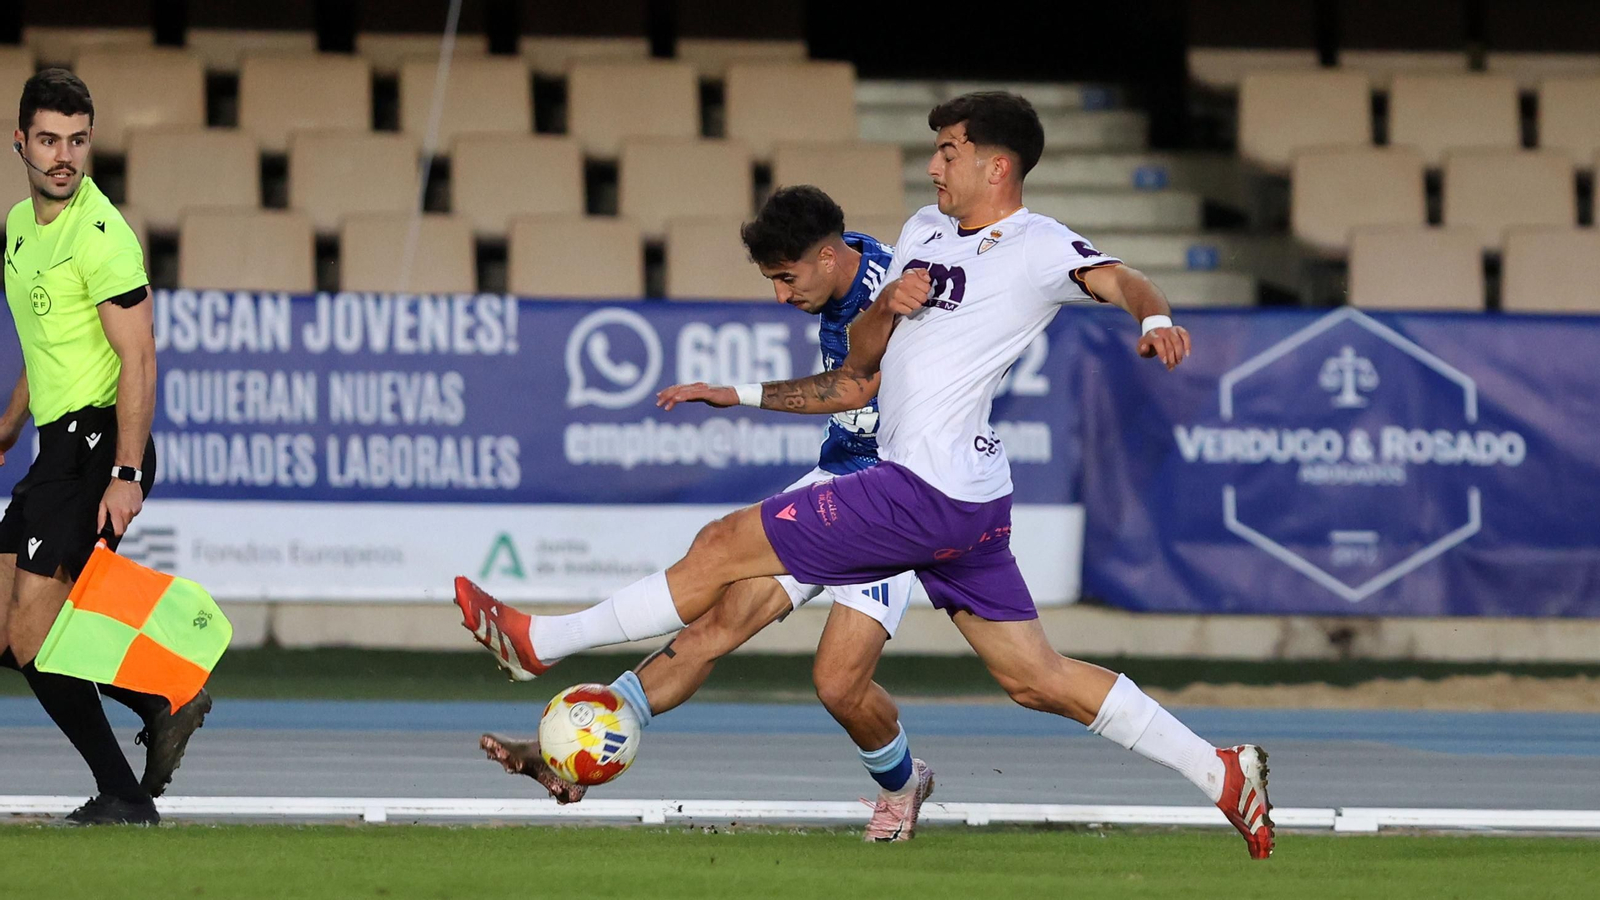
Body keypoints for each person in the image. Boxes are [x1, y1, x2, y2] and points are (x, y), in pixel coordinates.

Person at [459, 91, 1273, 859]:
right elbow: (858, 376)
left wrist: (1155, 315)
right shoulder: (921, 229)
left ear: (997, 166)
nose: (933, 167)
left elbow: (1122, 279)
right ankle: (1219, 770)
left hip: (920, 489)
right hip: (963, 500)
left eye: (948, 151)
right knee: (1035, 677)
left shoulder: (1039, 245)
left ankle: (543, 643)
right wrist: (886, 310)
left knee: (723, 548)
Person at [459, 185, 937, 841]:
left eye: (786, 278)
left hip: (895, 498)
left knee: (838, 684)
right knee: (718, 613)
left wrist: (733, 393)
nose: (780, 296)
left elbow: (850, 388)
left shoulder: (892, 301)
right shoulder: (851, 268)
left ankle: (905, 786)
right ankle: (578, 740)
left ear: (828, 258)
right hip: (842, 475)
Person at [0, 69, 210, 826]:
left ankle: (124, 793)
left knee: (31, 631)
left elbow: (140, 358)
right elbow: (43, 338)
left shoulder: (103, 236)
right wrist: (13, 421)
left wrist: (124, 472)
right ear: (20, 140)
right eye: (50, 140)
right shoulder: (22, 228)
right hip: (56, 447)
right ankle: (158, 699)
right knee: (7, 629)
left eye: (77, 141)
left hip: (100, 446)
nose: (64, 156)